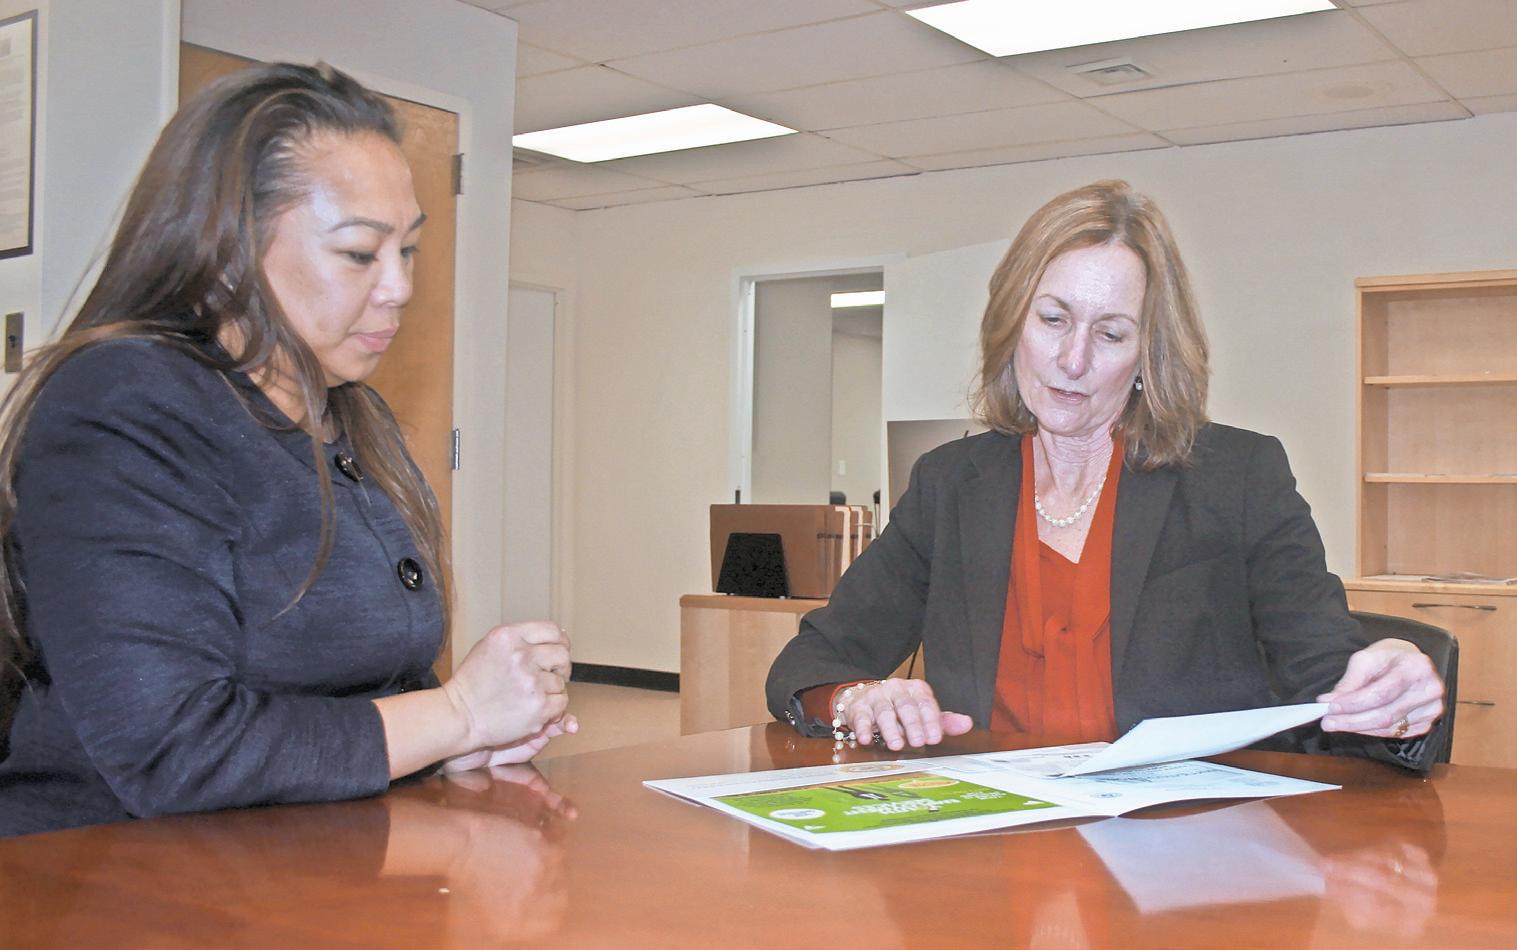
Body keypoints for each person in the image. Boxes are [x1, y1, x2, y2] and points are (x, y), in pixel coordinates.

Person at [0, 63, 573, 837]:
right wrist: (459, 714)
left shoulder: (351, 415)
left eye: (407, 250)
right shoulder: (125, 398)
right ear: (227, 250)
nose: (399, 287)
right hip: (109, 872)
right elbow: (173, 751)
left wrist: (448, 746)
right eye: (360, 253)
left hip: (304, 860)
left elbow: (366, 694)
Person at [766, 180, 1445, 768]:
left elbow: (1327, 679)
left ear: (1148, 353)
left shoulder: (1237, 478)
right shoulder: (949, 486)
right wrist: (857, 699)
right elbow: (812, 661)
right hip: (991, 842)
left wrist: (1390, 697)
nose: (1072, 359)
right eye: (1052, 319)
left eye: (1111, 333)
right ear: (1011, 321)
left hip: (1184, 851)